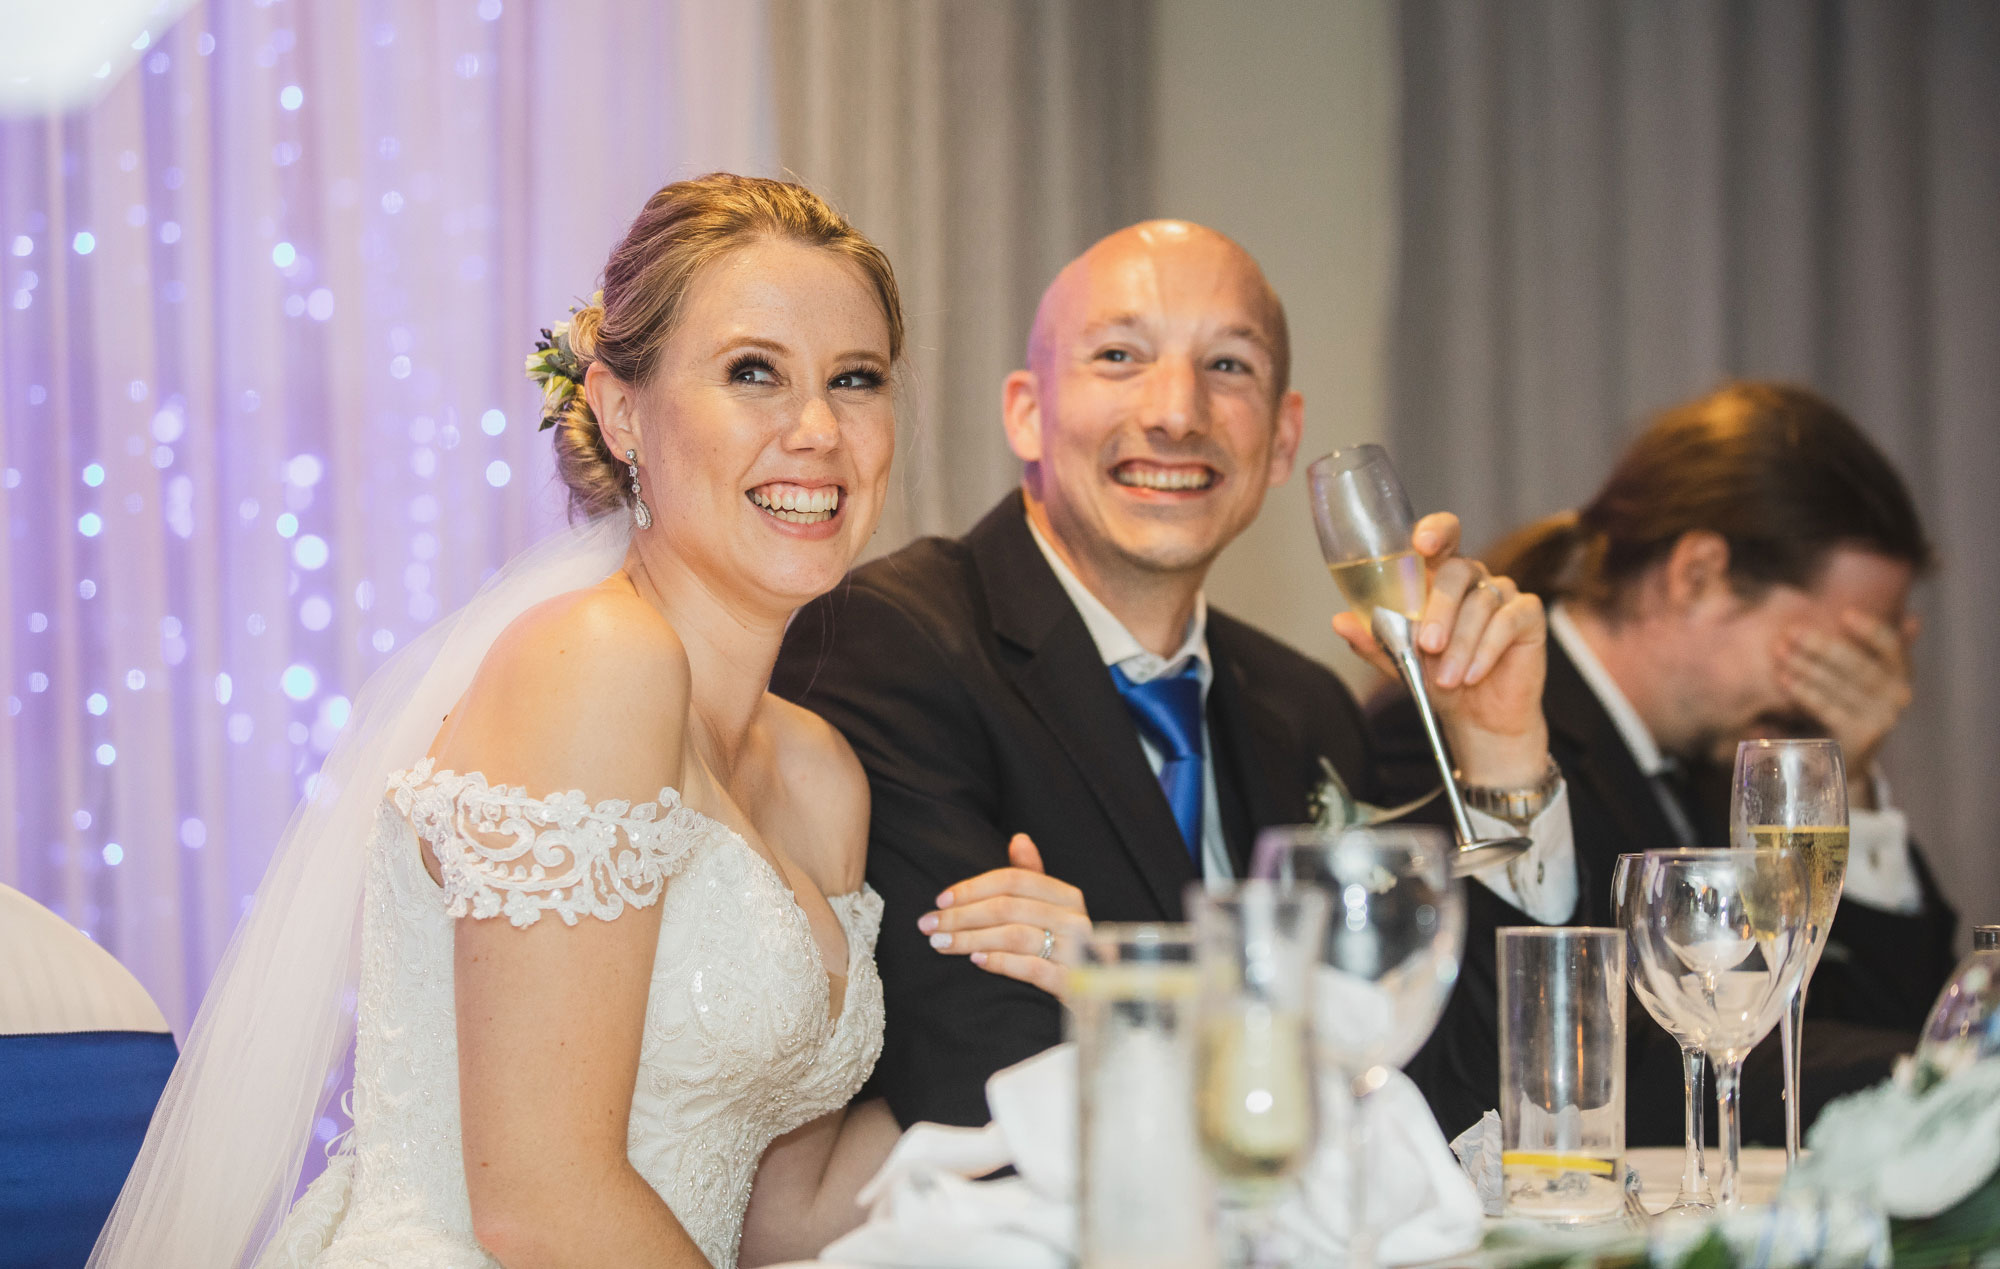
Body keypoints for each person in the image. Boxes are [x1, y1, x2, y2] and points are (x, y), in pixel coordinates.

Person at [89, 175, 1083, 1269]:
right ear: (621, 411)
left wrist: (1069, 1011)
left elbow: (781, 1215)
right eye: (753, 372)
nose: (816, 429)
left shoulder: (819, 773)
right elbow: (539, 1199)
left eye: (855, 380)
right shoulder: (592, 662)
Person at [770, 219, 1577, 1130]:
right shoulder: (888, 643)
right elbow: (982, 1083)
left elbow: (1463, 1093)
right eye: (1120, 355)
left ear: (1282, 436)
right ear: (1027, 412)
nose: (1177, 413)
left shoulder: (1305, 705)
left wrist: (1503, 751)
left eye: (1228, 367)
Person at [1388, 380, 1958, 1142]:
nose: (1857, 685)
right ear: (1699, 573)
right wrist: (1936, 1070)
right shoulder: (1452, 727)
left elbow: (1824, 1027)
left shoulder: (1715, 763)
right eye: (1840, 648)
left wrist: (1837, 782)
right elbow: (1585, 1081)